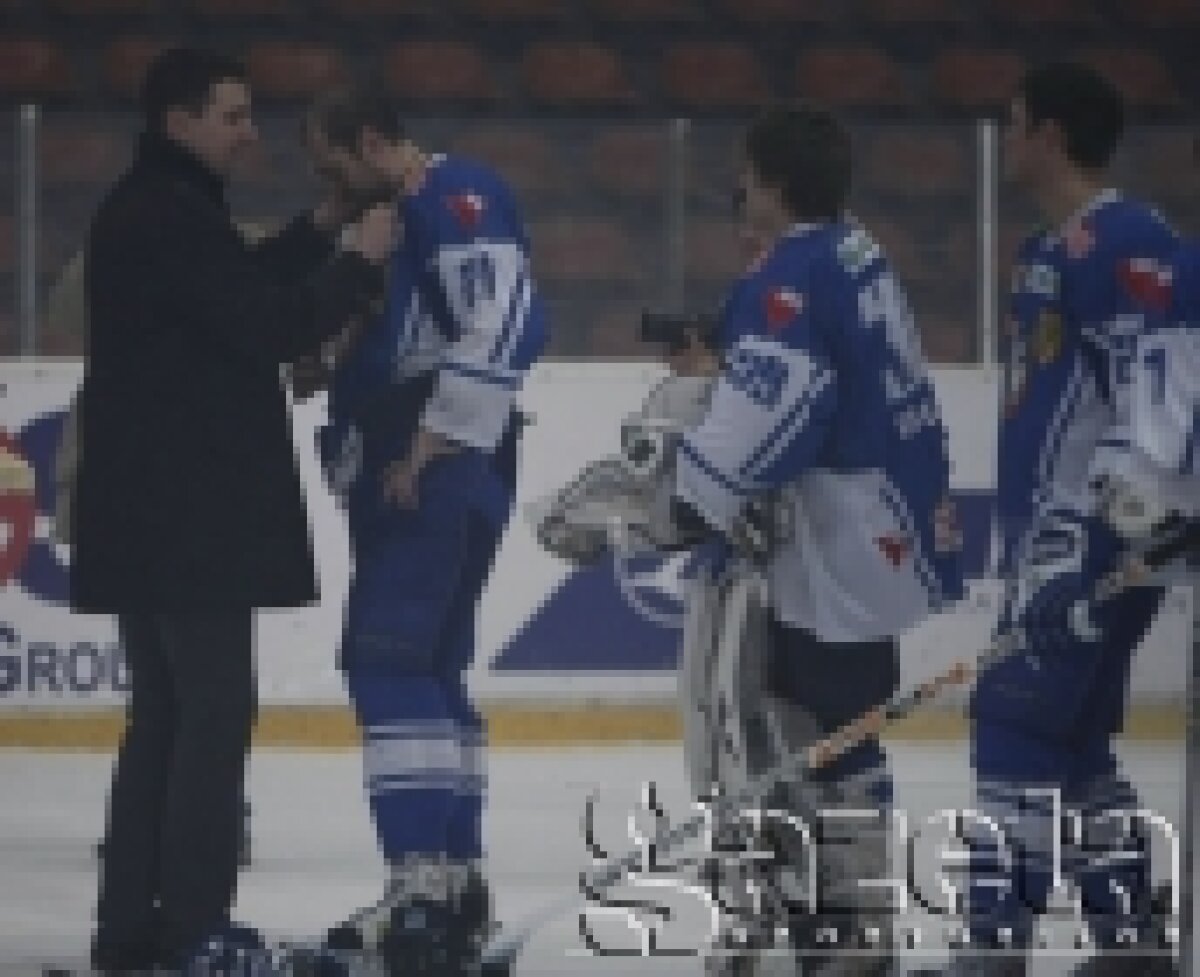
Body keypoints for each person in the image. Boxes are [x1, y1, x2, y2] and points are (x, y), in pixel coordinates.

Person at [71, 47, 394, 972]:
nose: (250, 132)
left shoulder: (157, 207)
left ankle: (132, 928)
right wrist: (361, 262)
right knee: (210, 715)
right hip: (188, 520)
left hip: (149, 516)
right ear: (179, 121)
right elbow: (269, 325)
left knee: (166, 717)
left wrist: (323, 226)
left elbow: (238, 285)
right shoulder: (169, 217)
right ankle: (193, 929)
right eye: (232, 115)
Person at [667, 104, 962, 977]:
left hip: (843, 541)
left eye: (748, 175)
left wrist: (693, 495)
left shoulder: (789, 279)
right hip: (884, 527)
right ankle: (837, 915)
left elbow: (780, 410)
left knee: (814, 723)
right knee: (826, 722)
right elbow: (829, 376)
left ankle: (851, 923)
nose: (737, 190)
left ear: (777, 183)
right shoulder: (854, 250)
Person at [299, 88, 547, 969]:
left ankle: (422, 885)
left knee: (387, 659)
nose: (330, 184)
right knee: (431, 666)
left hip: (433, 463)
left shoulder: (452, 193)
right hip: (424, 460)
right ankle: (454, 883)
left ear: (373, 140)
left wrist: (430, 441)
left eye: (336, 164)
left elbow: (509, 319)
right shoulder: (401, 216)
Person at [950, 62, 1181, 977]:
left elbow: (1165, 390)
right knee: (1072, 739)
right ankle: (1129, 941)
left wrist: (1132, 519)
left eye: (1013, 124)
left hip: (1093, 537)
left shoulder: (1132, 245)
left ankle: (993, 948)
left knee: (1010, 718)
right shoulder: (1049, 252)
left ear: (1050, 134)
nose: (1006, 141)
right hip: (1050, 536)